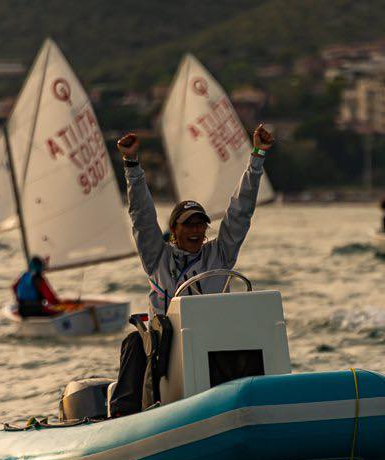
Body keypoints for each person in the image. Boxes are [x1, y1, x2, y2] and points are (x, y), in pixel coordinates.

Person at [108, 123, 274, 416]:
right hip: (166, 347)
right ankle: (123, 416)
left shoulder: (220, 255)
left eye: (201, 224)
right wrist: (131, 164)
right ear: (174, 230)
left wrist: (257, 156)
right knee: (135, 340)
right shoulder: (157, 257)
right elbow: (141, 216)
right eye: (189, 225)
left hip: (210, 342)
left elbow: (240, 211)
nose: (196, 231)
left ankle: (244, 404)